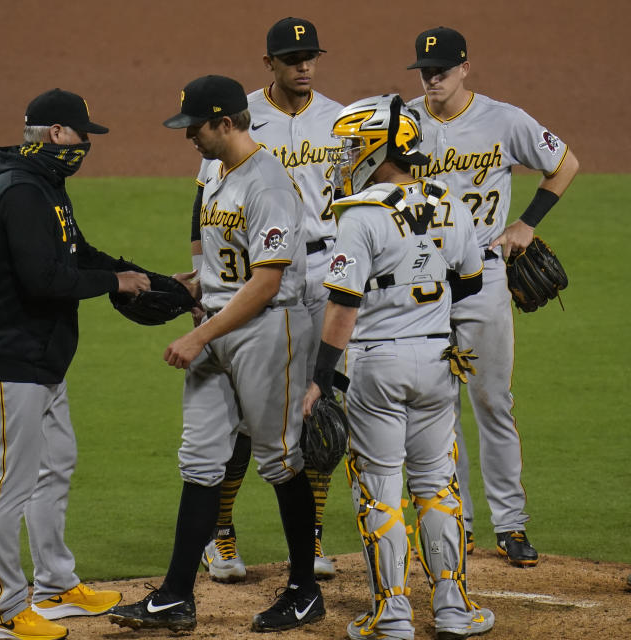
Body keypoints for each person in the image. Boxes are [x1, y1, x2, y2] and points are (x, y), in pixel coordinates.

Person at [108, 75, 325, 633]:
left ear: (225, 122)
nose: (189, 138)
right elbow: (231, 270)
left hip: (269, 329)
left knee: (279, 458)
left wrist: (198, 335)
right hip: (222, 323)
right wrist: (190, 289)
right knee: (201, 459)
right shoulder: (217, 175)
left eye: (195, 127)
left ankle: (304, 591)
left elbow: (268, 281)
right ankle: (176, 595)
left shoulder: (269, 183)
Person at [0, 88, 160, 640]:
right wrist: (113, 284)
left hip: (41, 361)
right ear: (55, 133)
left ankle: (54, 585)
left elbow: (78, 254)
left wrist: (150, 278)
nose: (86, 146)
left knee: (55, 466)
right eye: (81, 135)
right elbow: (43, 279)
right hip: (8, 363)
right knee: (6, 485)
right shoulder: (20, 191)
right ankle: (1, 611)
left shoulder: (47, 185)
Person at [303, 93, 492, 640]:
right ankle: (454, 610)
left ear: (377, 149)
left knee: (380, 488)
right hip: (437, 362)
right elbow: (471, 280)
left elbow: (342, 305)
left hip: (375, 368)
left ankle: (393, 614)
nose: (344, 155)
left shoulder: (360, 215)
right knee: (438, 485)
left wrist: (320, 376)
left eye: (352, 145)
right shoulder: (452, 204)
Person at [406, 26, 580, 566]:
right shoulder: (403, 122)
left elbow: (564, 164)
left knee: (491, 403)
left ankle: (511, 525)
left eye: (441, 70)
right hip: (421, 282)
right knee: (436, 406)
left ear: (464, 68)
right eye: (424, 71)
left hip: (483, 275)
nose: (432, 79)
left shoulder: (503, 119)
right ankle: (455, 521)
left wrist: (525, 224)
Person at [192, 16, 344, 584]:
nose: (304, 65)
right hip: (252, 277)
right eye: (291, 57)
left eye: (311, 56)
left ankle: (313, 537)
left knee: (318, 405)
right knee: (240, 417)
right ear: (270, 64)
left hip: (326, 272)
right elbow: (203, 206)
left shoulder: (342, 120)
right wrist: (202, 280)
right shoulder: (236, 116)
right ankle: (222, 535)